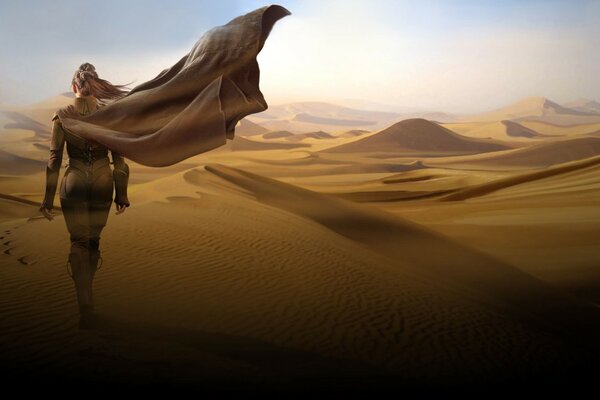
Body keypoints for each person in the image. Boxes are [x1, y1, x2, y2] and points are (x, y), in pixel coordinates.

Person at [39, 63, 132, 328]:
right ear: (94, 86)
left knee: (79, 242)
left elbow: (54, 159)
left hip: (74, 182)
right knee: (93, 241)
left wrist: (47, 200)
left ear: (73, 87)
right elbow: (119, 160)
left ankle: (85, 305)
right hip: (104, 182)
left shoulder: (62, 115)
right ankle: (87, 300)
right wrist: (122, 194)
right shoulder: (108, 114)